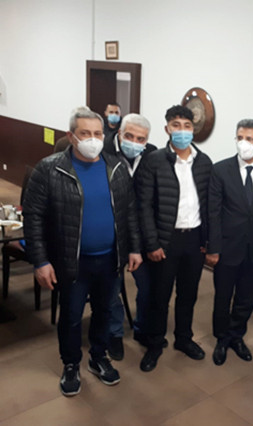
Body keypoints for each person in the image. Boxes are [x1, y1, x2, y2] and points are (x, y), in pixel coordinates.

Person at [23, 106, 142, 396]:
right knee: (72, 316)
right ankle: (71, 364)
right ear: (71, 136)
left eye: (98, 133)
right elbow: (33, 217)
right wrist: (40, 261)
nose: (93, 139)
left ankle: (98, 357)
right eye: (85, 133)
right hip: (71, 261)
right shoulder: (49, 169)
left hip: (110, 259)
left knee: (104, 311)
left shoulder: (116, 168)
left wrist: (134, 249)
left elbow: (129, 213)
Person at [137, 105, 212, 372]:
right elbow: (144, 206)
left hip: (194, 239)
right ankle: (155, 343)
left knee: (188, 294)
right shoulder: (154, 161)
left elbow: (209, 205)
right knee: (159, 296)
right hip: (165, 241)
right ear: (167, 128)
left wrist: (208, 241)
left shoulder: (204, 162)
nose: (182, 131)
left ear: (194, 129)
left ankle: (184, 338)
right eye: (176, 125)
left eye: (187, 126)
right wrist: (152, 243)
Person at [206, 119, 253, 365]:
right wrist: (214, 247)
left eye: (249, 139)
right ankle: (221, 339)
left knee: (246, 297)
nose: (243, 143)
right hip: (227, 247)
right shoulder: (220, 169)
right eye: (239, 138)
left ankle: (237, 336)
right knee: (223, 296)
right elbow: (213, 211)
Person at [105, 113, 158, 360]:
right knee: (111, 289)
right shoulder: (103, 151)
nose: (134, 142)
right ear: (119, 133)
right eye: (130, 136)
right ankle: (114, 333)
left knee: (147, 287)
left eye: (141, 139)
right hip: (111, 231)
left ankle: (141, 328)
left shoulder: (152, 154)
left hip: (141, 232)